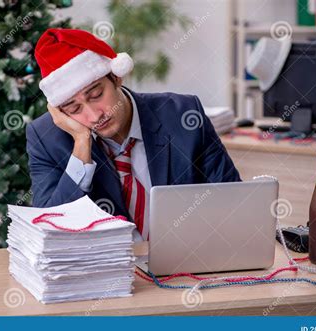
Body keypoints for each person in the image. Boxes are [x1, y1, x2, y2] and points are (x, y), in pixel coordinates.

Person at [27, 28, 241, 241]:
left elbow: (235, 202)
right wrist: (81, 143)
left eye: (96, 94)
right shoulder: (46, 138)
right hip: (106, 270)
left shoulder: (183, 115)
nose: (94, 116)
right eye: (74, 109)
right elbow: (50, 228)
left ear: (115, 77)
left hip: (187, 263)